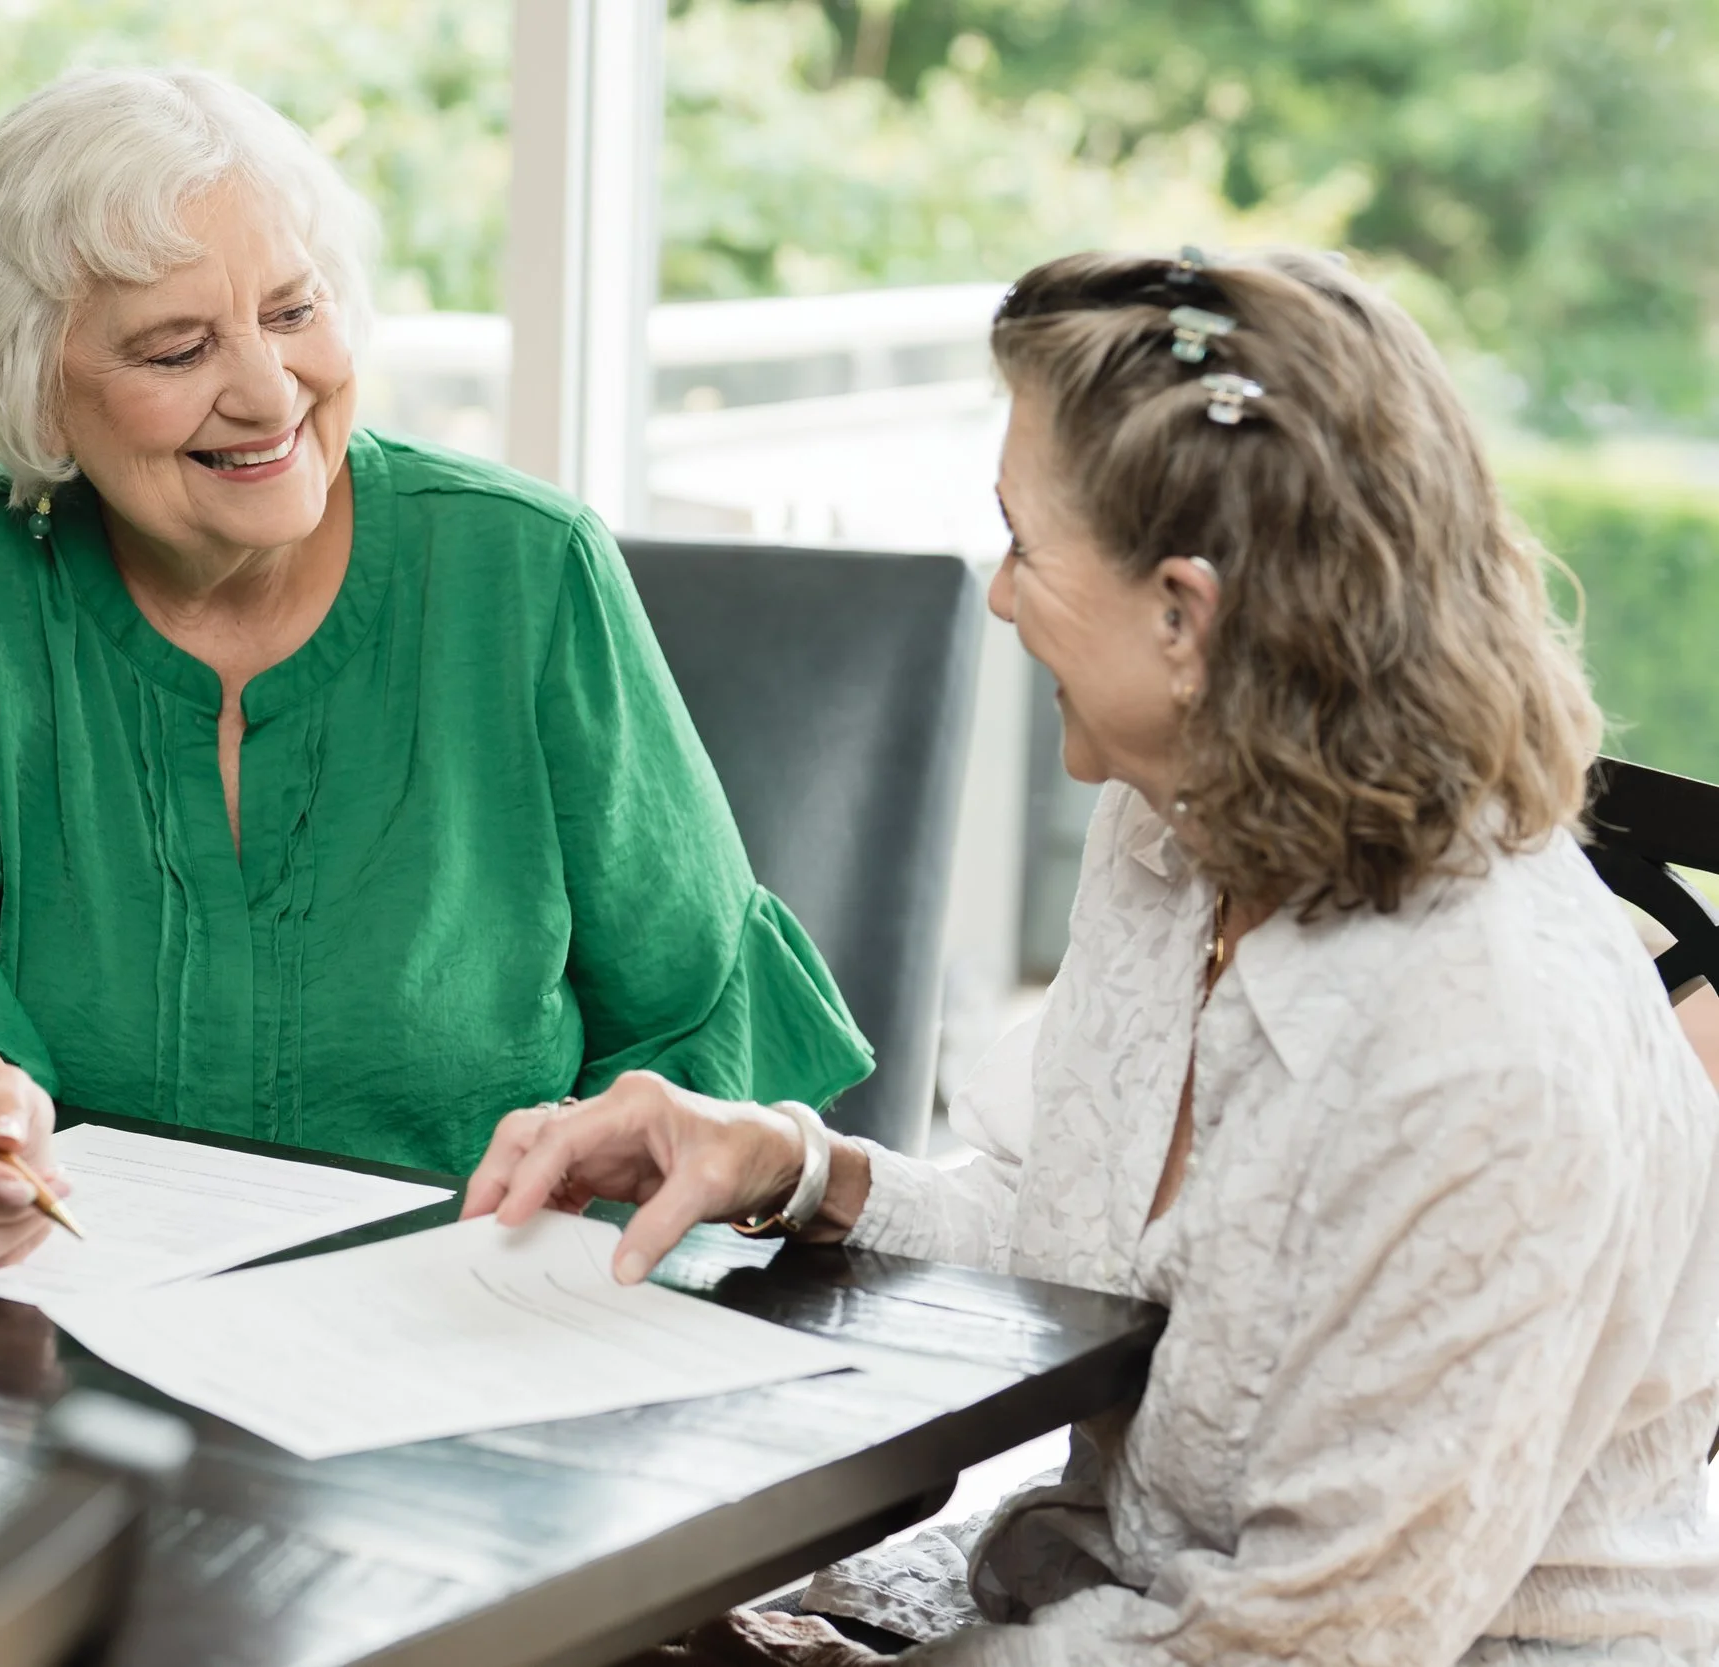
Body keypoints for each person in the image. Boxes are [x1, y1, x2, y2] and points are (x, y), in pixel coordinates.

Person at [470, 248, 1719, 1664]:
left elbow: (1296, 1642)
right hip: (1095, 1599)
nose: (998, 600)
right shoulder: (1171, 823)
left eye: (1022, 542)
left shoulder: (1486, 1046)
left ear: (1185, 617)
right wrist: (789, 1163)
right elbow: (1080, 1233)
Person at [0, 67, 872, 1273]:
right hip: (70, 1314)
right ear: (39, 393)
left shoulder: (530, 568)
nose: (269, 393)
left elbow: (695, 1032)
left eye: (291, 311)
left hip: (474, 1328)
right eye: (176, 349)